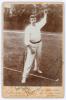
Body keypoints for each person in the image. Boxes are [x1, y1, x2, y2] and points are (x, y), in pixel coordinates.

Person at [21, 9, 47, 83]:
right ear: (30, 20)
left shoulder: (38, 25)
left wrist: (45, 14)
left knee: (38, 58)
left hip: (39, 44)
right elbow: (26, 40)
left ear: (36, 19)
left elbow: (44, 21)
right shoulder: (28, 28)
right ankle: (24, 77)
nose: (33, 20)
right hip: (31, 45)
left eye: (34, 19)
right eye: (32, 19)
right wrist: (30, 48)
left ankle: (37, 68)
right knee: (29, 61)